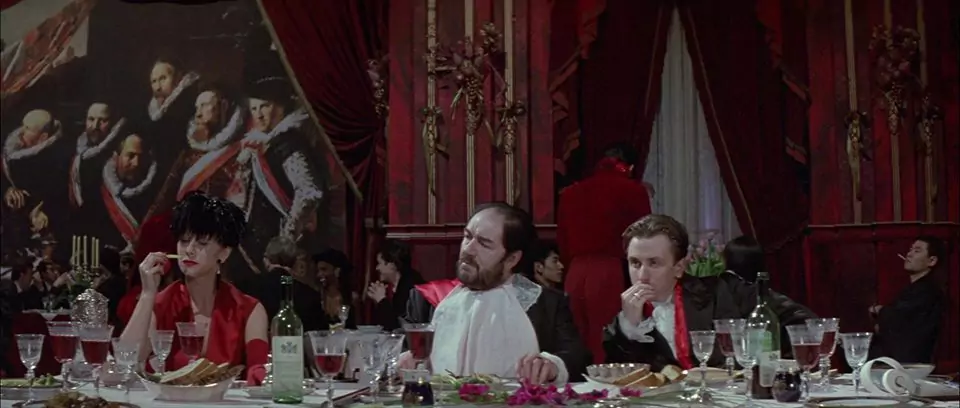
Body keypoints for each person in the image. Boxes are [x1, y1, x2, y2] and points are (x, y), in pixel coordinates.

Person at [403, 202, 589, 384]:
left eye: (484, 244)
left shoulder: (546, 303)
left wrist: (553, 366)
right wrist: (404, 360)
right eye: (467, 236)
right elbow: (398, 349)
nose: (468, 249)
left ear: (511, 259)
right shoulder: (427, 299)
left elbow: (576, 357)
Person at [603, 214, 814, 372]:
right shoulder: (623, 323)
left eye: (654, 263)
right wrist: (630, 327)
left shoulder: (723, 290)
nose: (642, 276)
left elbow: (803, 321)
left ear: (679, 267)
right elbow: (624, 381)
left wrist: (775, 368)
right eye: (635, 263)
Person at [120, 191, 268, 384]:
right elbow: (125, 362)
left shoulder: (249, 310)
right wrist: (148, 293)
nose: (189, 250)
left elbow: (259, 368)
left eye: (202, 242)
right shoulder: (161, 304)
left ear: (224, 253)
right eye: (184, 241)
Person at [557, 142, 652, 363]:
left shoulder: (571, 192)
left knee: (575, 338)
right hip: (610, 271)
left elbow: (563, 239)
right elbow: (644, 236)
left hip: (575, 271)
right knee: (605, 338)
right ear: (630, 166)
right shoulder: (633, 190)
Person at [869, 236, 945, 363]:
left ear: (931, 261)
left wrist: (879, 310)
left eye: (917, 251)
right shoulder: (915, 289)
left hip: (908, 363)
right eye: (910, 249)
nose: (909, 254)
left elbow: (899, 320)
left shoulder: (928, 290)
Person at [262, 236, 328, 332]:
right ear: (295, 262)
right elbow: (321, 335)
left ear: (267, 260)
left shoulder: (248, 288)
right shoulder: (310, 295)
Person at [367, 239, 425, 331]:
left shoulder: (411, 288)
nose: (377, 268)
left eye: (380, 263)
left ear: (392, 265)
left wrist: (382, 300)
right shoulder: (401, 284)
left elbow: (398, 329)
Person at [313, 249, 356, 329]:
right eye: (318, 271)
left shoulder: (351, 298)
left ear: (337, 271)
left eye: (324, 269)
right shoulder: (317, 298)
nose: (319, 274)